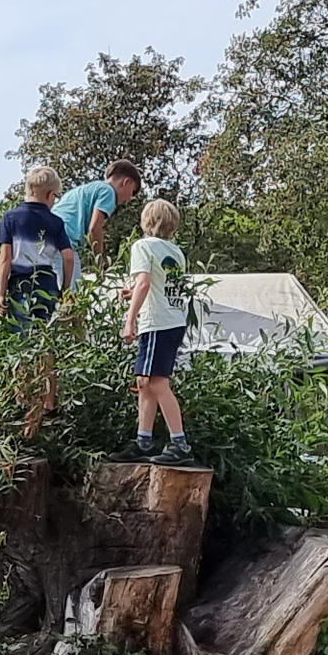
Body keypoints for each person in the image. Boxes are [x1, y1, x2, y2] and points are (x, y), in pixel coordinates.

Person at [122, 197, 195, 462]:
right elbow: (159, 285)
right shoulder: (175, 251)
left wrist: (129, 321)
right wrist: (135, 293)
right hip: (173, 320)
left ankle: (180, 443)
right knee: (144, 382)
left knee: (157, 382)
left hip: (156, 322)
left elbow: (144, 282)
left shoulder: (143, 246)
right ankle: (144, 439)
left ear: (146, 222)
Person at [0, 165, 74, 318]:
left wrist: (1, 295)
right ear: (50, 194)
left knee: (21, 336)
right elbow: (68, 257)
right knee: (42, 334)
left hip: (20, 286)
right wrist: (65, 289)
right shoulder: (56, 222)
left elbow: (4, 259)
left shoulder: (10, 218)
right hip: (47, 285)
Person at [48, 162, 140, 282]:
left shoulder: (89, 188)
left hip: (46, 239)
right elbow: (95, 229)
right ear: (126, 182)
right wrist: (100, 263)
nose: (129, 199)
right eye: (132, 192)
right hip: (64, 244)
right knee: (69, 295)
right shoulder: (108, 192)